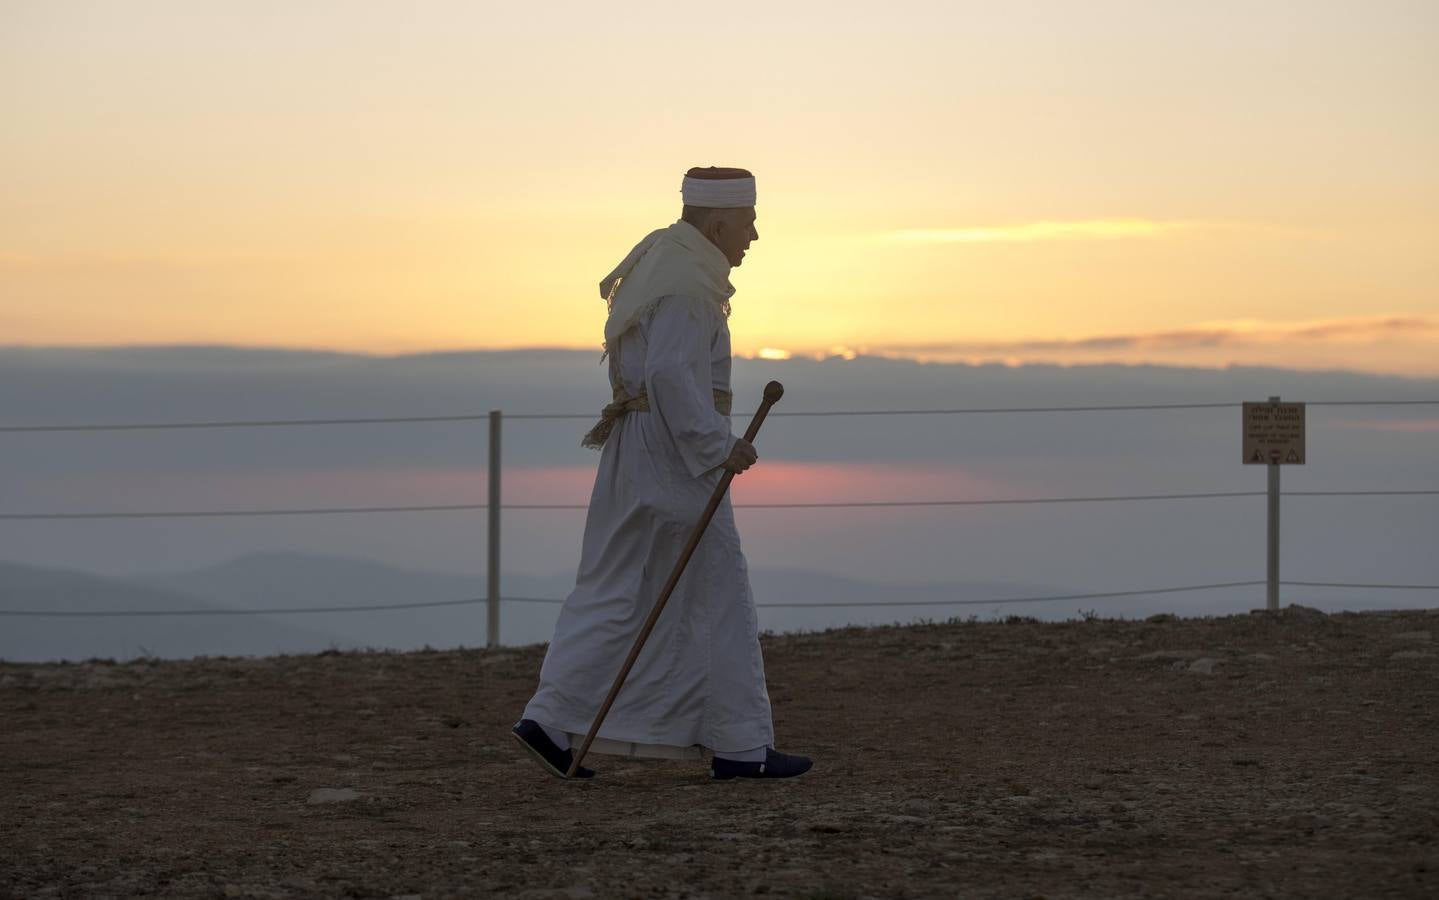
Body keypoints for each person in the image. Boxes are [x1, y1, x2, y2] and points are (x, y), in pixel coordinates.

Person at [512, 166, 812, 781]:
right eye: (750, 222)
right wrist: (715, 445)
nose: (754, 236)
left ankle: (555, 718)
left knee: (620, 586)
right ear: (720, 220)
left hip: (642, 450)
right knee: (711, 588)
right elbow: (672, 375)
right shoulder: (687, 283)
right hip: (673, 456)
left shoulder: (663, 260)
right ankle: (738, 748)